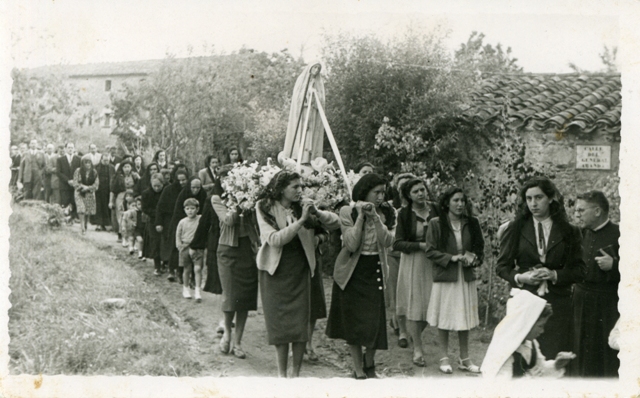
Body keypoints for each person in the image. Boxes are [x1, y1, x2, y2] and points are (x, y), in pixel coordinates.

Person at [256, 170, 340, 377]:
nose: (299, 190)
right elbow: (274, 240)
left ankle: (295, 376)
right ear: (281, 188)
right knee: (281, 327)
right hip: (275, 273)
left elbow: (335, 223)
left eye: (300, 186)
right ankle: (282, 375)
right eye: (295, 186)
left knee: (300, 326)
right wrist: (301, 221)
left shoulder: (302, 205)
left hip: (301, 271)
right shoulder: (264, 207)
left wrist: (316, 213)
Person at [496, 177, 584, 360]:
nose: (533, 204)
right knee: (524, 359)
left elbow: (580, 270)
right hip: (525, 301)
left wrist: (554, 274)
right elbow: (502, 267)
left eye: (538, 197)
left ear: (551, 198)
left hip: (558, 305)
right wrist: (522, 278)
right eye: (529, 199)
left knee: (554, 356)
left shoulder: (570, 231)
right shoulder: (516, 228)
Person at [326, 173, 396, 379]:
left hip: (375, 268)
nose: (381, 196)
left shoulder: (388, 212)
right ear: (365, 192)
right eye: (377, 192)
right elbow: (351, 243)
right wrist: (361, 217)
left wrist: (375, 218)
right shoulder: (347, 211)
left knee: (374, 321)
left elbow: (387, 241)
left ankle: (370, 361)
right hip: (352, 271)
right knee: (354, 322)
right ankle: (358, 367)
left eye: (384, 192)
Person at [424, 187, 484, 374]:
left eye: (462, 201)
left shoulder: (472, 223)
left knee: (463, 317)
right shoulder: (436, 223)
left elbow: (480, 250)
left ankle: (464, 359)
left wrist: (473, 259)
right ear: (447, 203)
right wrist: (452, 258)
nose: (460, 204)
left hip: (465, 276)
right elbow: (430, 251)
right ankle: (444, 357)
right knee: (446, 316)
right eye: (456, 200)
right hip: (446, 276)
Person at [571, 191, 620, 377]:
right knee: (580, 350)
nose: (577, 215)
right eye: (576, 211)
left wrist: (614, 266)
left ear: (597, 211)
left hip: (607, 305)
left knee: (604, 355)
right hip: (580, 301)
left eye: (581, 210)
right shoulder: (580, 234)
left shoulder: (621, 234)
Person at [481, 288, 576, 379]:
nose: (542, 331)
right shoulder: (504, 350)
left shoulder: (531, 343)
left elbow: (540, 368)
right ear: (527, 324)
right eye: (540, 326)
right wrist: (528, 379)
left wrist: (556, 365)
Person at [394, 178, 439, 367]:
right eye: (415, 192)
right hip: (413, 261)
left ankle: (414, 336)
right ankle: (418, 348)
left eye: (422, 189)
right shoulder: (404, 214)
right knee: (414, 304)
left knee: (433, 305)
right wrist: (420, 245)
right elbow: (398, 243)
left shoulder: (436, 209)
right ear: (408, 196)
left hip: (434, 262)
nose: (421, 194)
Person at [386, 172, 415, 349]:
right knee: (397, 292)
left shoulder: (420, 209)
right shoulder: (391, 209)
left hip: (412, 255)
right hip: (394, 255)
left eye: (408, 184)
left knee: (411, 293)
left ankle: (400, 323)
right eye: (401, 185)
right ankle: (402, 331)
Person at [156, 167, 189, 281]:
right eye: (179, 180)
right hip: (171, 220)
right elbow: (160, 207)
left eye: (184, 180)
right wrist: (159, 223)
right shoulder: (168, 190)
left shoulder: (189, 190)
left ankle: (181, 271)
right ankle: (171, 269)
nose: (181, 182)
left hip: (187, 220)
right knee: (174, 245)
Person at [175, 198, 204, 300]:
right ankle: (186, 289)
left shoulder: (200, 219)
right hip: (185, 247)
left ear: (197, 209)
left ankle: (197, 291)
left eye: (192, 208)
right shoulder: (182, 222)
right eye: (187, 208)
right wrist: (179, 245)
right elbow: (178, 234)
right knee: (187, 269)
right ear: (184, 210)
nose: (190, 211)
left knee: (198, 269)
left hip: (197, 247)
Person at [110, 159, 139, 242]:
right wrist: (111, 201)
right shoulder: (117, 177)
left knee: (131, 214)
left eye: (128, 167)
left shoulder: (134, 176)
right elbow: (113, 190)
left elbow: (139, 185)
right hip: (121, 196)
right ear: (122, 168)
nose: (127, 169)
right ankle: (121, 234)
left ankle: (131, 235)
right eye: (125, 167)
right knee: (121, 214)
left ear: (131, 167)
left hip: (132, 196)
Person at [142, 173, 165, 274]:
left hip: (165, 220)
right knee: (155, 242)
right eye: (154, 186)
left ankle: (165, 262)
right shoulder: (146, 193)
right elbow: (145, 208)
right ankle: (157, 266)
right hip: (153, 220)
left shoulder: (165, 192)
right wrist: (156, 213)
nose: (156, 188)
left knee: (164, 241)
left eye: (158, 186)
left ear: (162, 184)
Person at [72, 154, 99, 234]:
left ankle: (86, 224)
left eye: (89, 163)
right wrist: (82, 187)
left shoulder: (94, 172)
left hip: (90, 193)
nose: (87, 165)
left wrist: (88, 188)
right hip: (79, 193)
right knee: (81, 209)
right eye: (86, 163)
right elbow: (75, 182)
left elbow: (96, 184)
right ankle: (82, 226)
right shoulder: (78, 171)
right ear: (82, 163)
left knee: (88, 210)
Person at [57, 142, 82, 218]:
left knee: (74, 202)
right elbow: (58, 172)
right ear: (65, 149)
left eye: (72, 147)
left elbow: (81, 172)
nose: (70, 149)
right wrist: (68, 180)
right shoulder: (60, 159)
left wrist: (75, 181)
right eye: (68, 147)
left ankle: (73, 218)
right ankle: (65, 218)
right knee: (65, 202)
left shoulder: (79, 159)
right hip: (64, 185)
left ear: (74, 149)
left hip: (75, 185)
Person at [92, 155, 116, 231]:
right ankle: (99, 224)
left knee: (106, 207)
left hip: (108, 190)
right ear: (101, 160)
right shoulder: (96, 167)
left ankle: (107, 224)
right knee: (99, 207)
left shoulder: (112, 167)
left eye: (107, 161)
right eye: (104, 160)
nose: (106, 162)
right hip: (98, 190)